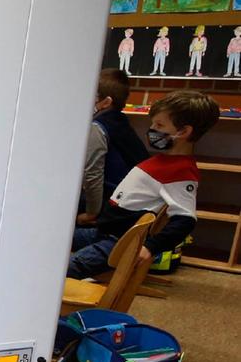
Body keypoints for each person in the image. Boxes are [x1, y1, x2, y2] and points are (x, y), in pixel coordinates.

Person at [69, 90, 218, 279]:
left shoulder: (180, 171)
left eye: (159, 124)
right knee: (50, 236)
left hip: (117, 243)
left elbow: (185, 219)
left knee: (60, 270)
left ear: (184, 131)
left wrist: (150, 247)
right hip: (104, 232)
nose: (152, 129)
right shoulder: (166, 161)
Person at [78, 69, 147, 225]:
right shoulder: (120, 122)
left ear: (106, 102)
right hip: (129, 205)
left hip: (110, 207)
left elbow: (93, 175)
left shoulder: (97, 127)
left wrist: (90, 214)